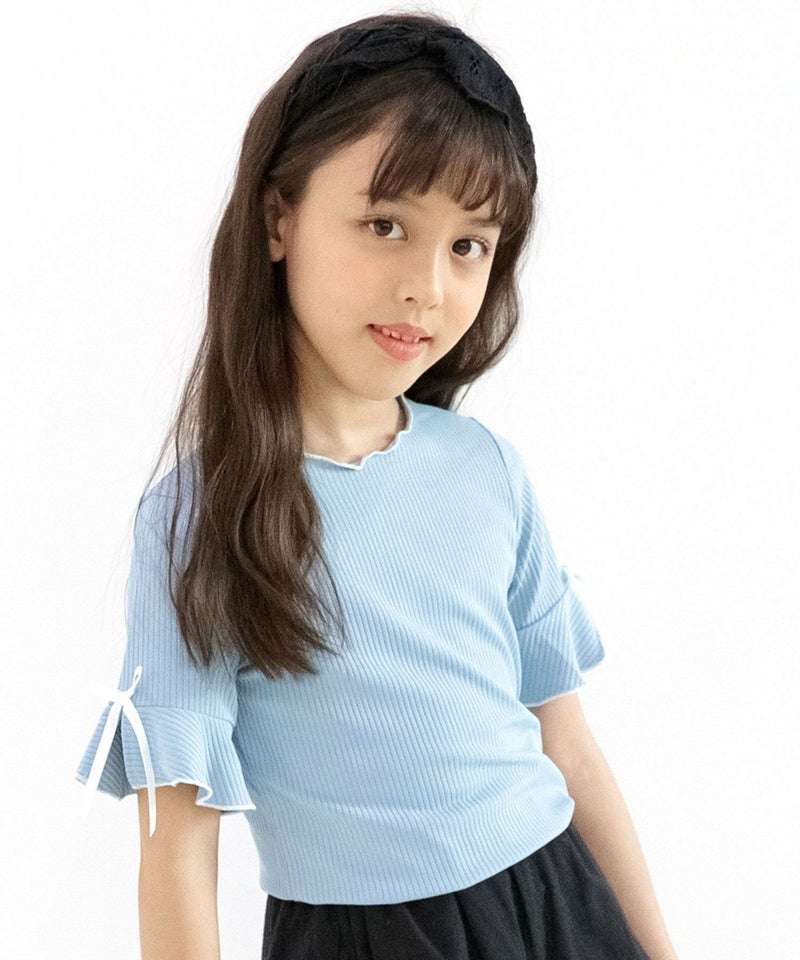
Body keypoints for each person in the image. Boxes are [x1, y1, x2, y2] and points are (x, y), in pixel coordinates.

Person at [75, 11, 678, 960]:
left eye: (468, 245)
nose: (426, 287)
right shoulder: (200, 519)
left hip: (560, 905)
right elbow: (178, 846)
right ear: (278, 218)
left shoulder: (485, 469)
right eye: (385, 225)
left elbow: (568, 748)